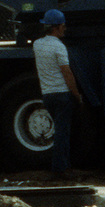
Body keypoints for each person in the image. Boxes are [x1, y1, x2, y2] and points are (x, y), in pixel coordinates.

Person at [32, 9, 82, 174]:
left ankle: (63, 166)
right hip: (62, 94)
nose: (65, 28)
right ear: (57, 27)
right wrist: (76, 94)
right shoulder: (59, 47)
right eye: (63, 26)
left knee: (60, 130)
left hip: (48, 95)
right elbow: (67, 73)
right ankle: (60, 168)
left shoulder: (37, 44)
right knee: (62, 133)